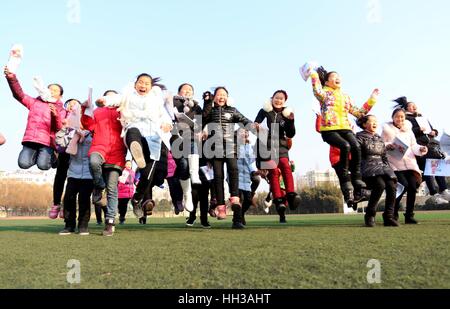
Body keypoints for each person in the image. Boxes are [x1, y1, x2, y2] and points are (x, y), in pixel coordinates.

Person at [98, 74, 173, 218]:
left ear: (151, 87)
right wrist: (104, 100)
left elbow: (164, 116)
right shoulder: (128, 95)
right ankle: (136, 149)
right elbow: (116, 99)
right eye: (140, 82)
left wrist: (167, 124)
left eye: (146, 84)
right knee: (133, 132)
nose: (143, 86)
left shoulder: (156, 101)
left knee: (147, 176)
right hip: (134, 129)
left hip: (153, 137)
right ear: (135, 84)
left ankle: (137, 199)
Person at [307, 65, 379, 205]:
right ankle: (347, 185)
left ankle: (357, 178)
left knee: (356, 146)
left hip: (345, 128)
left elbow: (359, 113)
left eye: (338, 76)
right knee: (345, 146)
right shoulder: (324, 94)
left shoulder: (345, 97)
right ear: (327, 82)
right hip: (330, 130)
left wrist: (372, 100)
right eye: (333, 77)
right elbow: (316, 91)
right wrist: (313, 74)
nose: (337, 78)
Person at [203, 87, 254, 229]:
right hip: (215, 148)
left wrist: (255, 126)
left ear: (227, 97)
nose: (221, 97)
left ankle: (236, 211)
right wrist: (207, 103)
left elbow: (244, 120)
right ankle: (220, 207)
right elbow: (202, 119)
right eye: (219, 95)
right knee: (218, 177)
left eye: (224, 95)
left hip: (231, 147)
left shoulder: (232, 110)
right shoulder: (211, 111)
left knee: (233, 173)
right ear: (214, 97)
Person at [82, 90, 127, 236]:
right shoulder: (98, 111)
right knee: (94, 162)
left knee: (112, 188)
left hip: (117, 151)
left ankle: (110, 222)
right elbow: (88, 124)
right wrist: (84, 109)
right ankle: (98, 185)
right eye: (107, 96)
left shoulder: (124, 110)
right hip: (99, 146)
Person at [4, 66, 65, 171]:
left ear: (60, 96)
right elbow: (19, 94)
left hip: (47, 142)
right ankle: (37, 155)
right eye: (49, 89)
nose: (51, 91)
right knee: (23, 164)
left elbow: (58, 127)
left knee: (43, 166)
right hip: (31, 139)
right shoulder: (34, 102)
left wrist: (55, 114)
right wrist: (11, 77)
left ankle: (53, 157)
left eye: (55, 91)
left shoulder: (61, 110)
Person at [254, 90, 300, 223]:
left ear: (284, 101)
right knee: (273, 171)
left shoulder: (286, 113)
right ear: (272, 98)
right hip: (266, 145)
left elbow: (291, 133)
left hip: (281, 145)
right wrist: (256, 126)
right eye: (276, 97)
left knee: (286, 166)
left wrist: (291, 121)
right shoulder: (264, 111)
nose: (278, 100)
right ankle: (278, 201)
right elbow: (256, 123)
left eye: (281, 99)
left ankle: (291, 195)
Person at [394, 97, 450, 203]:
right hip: (419, 146)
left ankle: (443, 189)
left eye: (415, 105)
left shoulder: (422, 117)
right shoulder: (406, 119)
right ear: (406, 108)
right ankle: (434, 193)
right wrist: (418, 129)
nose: (414, 106)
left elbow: (432, 129)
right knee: (428, 168)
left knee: (437, 166)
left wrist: (433, 131)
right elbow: (405, 133)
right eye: (411, 105)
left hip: (431, 145)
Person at [382, 108, 428, 224]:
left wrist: (421, 149)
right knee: (401, 188)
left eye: (402, 117)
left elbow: (414, 145)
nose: (400, 119)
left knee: (412, 187)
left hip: (410, 164)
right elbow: (380, 144)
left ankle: (409, 216)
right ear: (392, 118)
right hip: (395, 164)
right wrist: (388, 145)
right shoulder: (386, 130)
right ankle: (393, 213)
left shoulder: (409, 130)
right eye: (397, 116)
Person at [356, 115, 400, 227]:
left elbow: (384, 157)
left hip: (382, 167)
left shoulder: (379, 138)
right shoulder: (359, 137)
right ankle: (370, 215)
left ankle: (388, 216)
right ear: (364, 124)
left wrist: (389, 170)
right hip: (367, 168)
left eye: (376, 121)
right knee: (379, 184)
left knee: (392, 185)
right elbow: (357, 157)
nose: (375, 123)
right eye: (372, 121)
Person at [58, 121, 94, 235]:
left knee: (84, 199)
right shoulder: (71, 133)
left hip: (88, 174)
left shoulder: (93, 135)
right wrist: (64, 127)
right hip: (73, 172)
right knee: (68, 198)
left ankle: (83, 225)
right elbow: (59, 142)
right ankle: (69, 225)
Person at [49, 99, 82, 219]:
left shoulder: (82, 116)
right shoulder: (61, 114)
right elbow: (54, 127)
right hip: (63, 150)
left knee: (72, 180)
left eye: (75, 103)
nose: (72, 104)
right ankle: (56, 203)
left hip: (76, 152)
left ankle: (65, 206)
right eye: (70, 103)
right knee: (60, 176)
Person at [236, 128, 259, 226]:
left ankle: (241, 214)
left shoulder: (249, 146)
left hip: (246, 176)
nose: (245, 134)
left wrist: (256, 171)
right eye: (243, 132)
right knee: (238, 200)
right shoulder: (235, 145)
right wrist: (253, 171)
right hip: (236, 175)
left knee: (248, 200)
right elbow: (245, 159)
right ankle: (237, 220)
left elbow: (250, 160)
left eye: (246, 132)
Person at [117, 160, 137, 224]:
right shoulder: (122, 171)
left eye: (130, 164)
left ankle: (141, 217)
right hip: (122, 191)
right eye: (127, 164)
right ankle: (121, 216)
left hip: (130, 192)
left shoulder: (133, 172)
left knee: (133, 204)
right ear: (124, 165)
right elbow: (119, 180)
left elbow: (135, 180)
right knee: (122, 206)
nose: (129, 165)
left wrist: (137, 182)